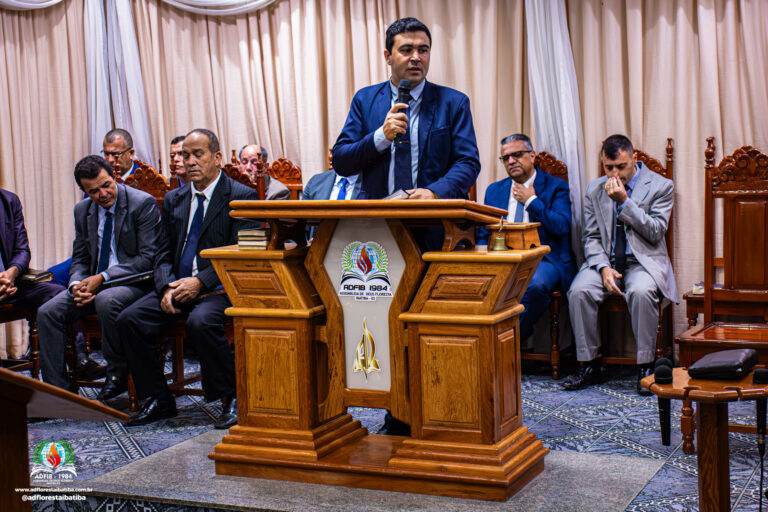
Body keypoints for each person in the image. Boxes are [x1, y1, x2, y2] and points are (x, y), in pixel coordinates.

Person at [116, 129, 259, 428]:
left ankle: (231, 397)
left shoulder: (241, 195)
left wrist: (200, 282)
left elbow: (244, 253)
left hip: (220, 287)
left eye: (198, 154)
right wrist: (166, 287)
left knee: (201, 322)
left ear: (217, 157)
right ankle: (158, 398)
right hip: (177, 286)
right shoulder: (174, 199)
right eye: (185, 155)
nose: (190, 161)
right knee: (130, 319)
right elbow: (162, 251)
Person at [563, 134, 677, 394]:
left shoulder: (661, 186)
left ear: (634, 158)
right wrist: (603, 268)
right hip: (606, 261)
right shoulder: (594, 189)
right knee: (579, 291)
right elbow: (590, 237)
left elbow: (656, 231)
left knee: (641, 292)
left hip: (642, 262)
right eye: (609, 167)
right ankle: (590, 365)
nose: (615, 174)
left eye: (621, 167)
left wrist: (624, 202)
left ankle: (645, 366)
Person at [37, 155, 160, 395]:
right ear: (84, 191)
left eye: (106, 185)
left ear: (114, 177)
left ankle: (117, 372)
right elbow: (81, 257)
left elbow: (148, 258)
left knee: (106, 299)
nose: (103, 194)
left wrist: (102, 278)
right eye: (93, 191)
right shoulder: (82, 210)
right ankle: (57, 392)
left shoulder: (141, 203)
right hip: (93, 284)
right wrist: (75, 285)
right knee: (47, 312)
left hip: (135, 282)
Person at [332, 17, 480, 201]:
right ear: (388, 56)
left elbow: (468, 163)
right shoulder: (365, 100)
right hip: (378, 214)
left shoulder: (454, 102)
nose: (416, 57)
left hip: (435, 213)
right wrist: (381, 137)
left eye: (423, 50)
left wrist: (434, 192)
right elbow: (341, 162)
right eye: (406, 50)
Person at [479, 134, 575, 341]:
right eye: (506, 158)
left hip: (544, 258)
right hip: (503, 258)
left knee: (535, 286)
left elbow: (562, 226)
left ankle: (507, 342)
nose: (511, 161)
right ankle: (491, 341)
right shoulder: (495, 190)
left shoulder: (555, 186)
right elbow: (483, 232)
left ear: (532, 156)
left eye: (517, 155)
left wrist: (531, 200)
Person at [0, 187, 64, 334]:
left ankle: (63, 348)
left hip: (10, 283)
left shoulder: (9, 201)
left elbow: (22, 251)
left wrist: (11, 273)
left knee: (58, 295)